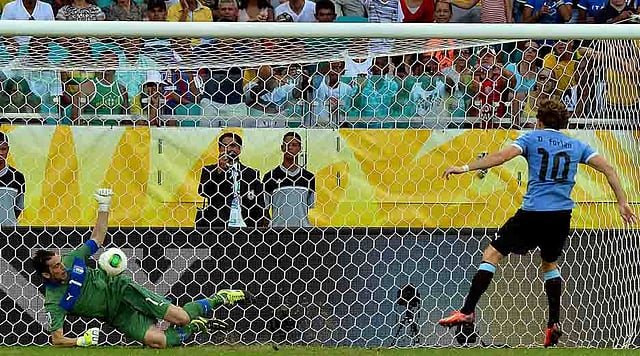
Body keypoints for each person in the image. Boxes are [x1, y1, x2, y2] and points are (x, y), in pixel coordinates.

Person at [437, 99, 637, 347]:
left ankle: (467, 311)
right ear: (563, 123)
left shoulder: (531, 138)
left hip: (533, 213)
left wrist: (464, 167)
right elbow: (609, 169)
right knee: (549, 263)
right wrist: (622, 202)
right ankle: (553, 324)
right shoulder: (577, 145)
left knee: (492, 254)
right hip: (561, 215)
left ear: (539, 121)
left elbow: (500, 157)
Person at [33, 188, 253, 348]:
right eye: (56, 266)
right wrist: (80, 341)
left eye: (60, 262)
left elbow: (97, 237)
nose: (62, 266)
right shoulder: (53, 301)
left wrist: (104, 206)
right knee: (159, 342)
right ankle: (197, 326)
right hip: (116, 314)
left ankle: (220, 297)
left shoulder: (73, 260)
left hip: (121, 288)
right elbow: (57, 339)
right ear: (46, 274)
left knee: (181, 318)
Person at [196, 132, 267, 228]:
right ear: (219, 149)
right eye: (224, 146)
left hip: (246, 226)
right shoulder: (209, 170)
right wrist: (220, 170)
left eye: (232, 145)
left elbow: (259, 202)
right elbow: (203, 192)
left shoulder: (251, 173)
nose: (228, 149)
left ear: (239, 149)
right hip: (218, 226)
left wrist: (257, 224)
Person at [263, 132, 315, 228]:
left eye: (294, 145)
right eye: (287, 144)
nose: (290, 147)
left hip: (303, 232)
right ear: (282, 147)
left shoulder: (309, 177)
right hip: (278, 232)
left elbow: (309, 205)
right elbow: (265, 209)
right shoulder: (270, 176)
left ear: (300, 148)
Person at [0, 132, 25, 226]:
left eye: (3, 149)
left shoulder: (17, 177)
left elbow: (19, 207)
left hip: (10, 234)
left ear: (8, 150)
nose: (0, 153)